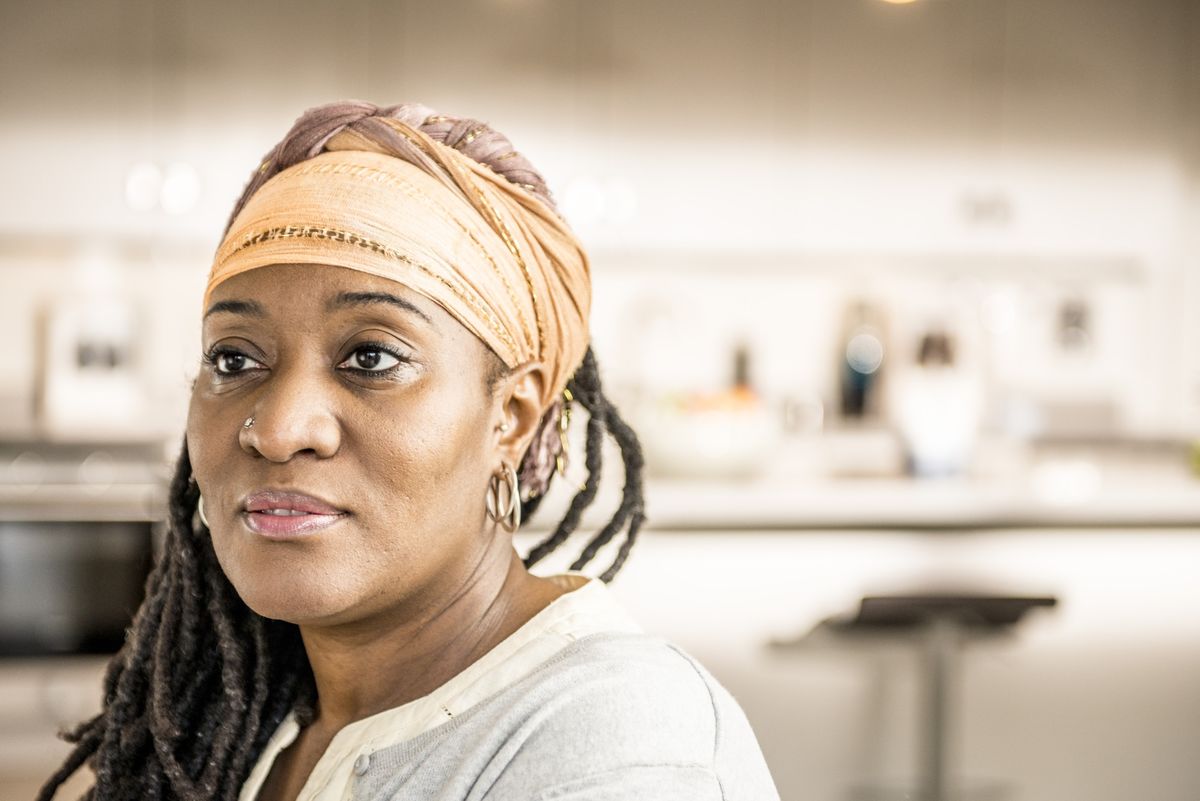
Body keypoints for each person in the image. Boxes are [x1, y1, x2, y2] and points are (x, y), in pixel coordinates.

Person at [38, 101, 780, 801]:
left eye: (371, 357)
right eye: (234, 359)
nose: (278, 427)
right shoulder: (253, 725)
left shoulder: (621, 745)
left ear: (510, 417)